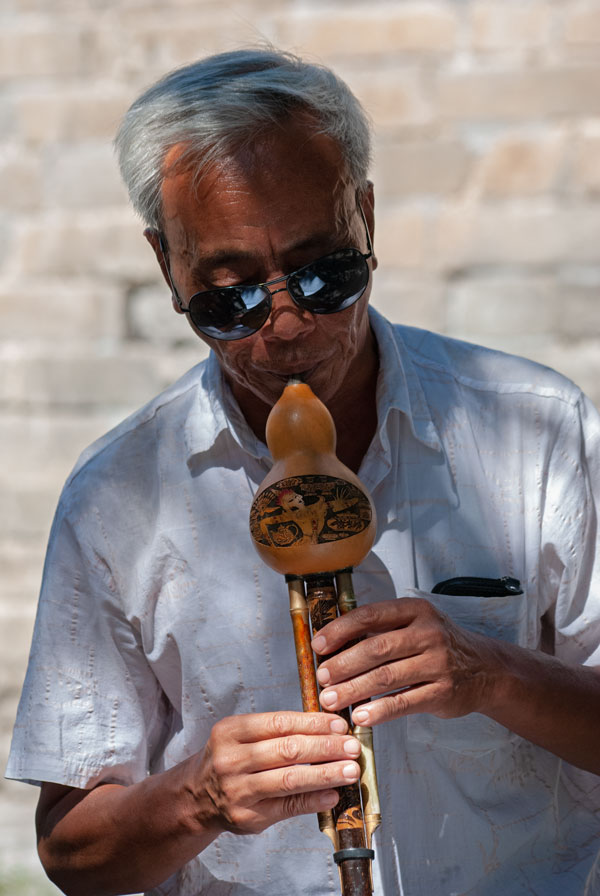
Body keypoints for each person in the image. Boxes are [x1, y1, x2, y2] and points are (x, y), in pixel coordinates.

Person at [6, 46, 600, 896]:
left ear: (366, 217)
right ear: (166, 269)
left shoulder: (538, 428)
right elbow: (72, 853)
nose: (287, 329)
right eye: (230, 298)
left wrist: (493, 674)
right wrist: (198, 797)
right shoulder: (118, 496)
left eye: (325, 274)